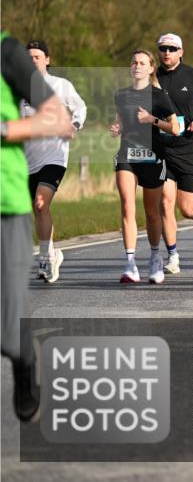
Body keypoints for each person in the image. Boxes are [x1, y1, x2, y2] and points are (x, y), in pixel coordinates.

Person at [2, 32, 74, 421]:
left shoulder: (8, 53)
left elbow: (57, 118)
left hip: (7, 198)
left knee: (7, 319)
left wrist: (5, 130)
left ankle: (23, 359)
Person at [21, 40, 87, 283]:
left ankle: (45, 258)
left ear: (47, 60)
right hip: (28, 158)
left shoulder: (61, 85)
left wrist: (74, 124)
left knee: (41, 203)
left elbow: (80, 108)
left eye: (37, 57)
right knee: (38, 209)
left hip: (55, 156)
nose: (32, 61)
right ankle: (51, 255)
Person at [112, 50, 180, 284]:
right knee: (127, 205)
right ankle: (130, 263)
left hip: (152, 157)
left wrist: (152, 120)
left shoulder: (159, 96)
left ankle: (155, 257)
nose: (137, 66)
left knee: (152, 212)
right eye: (134, 62)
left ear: (151, 68)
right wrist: (118, 128)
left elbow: (175, 128)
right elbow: (121, 120)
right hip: (127, 155)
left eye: (142, 63)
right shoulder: (122, 95)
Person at [154, 33, 193, 274]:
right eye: (163, 48)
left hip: (187, 148)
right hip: (161, 149)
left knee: (186, 207)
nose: (167, 52)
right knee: (165, 202)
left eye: (172, 48)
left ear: (181, 52)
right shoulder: (152, 76)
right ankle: (173, 256)